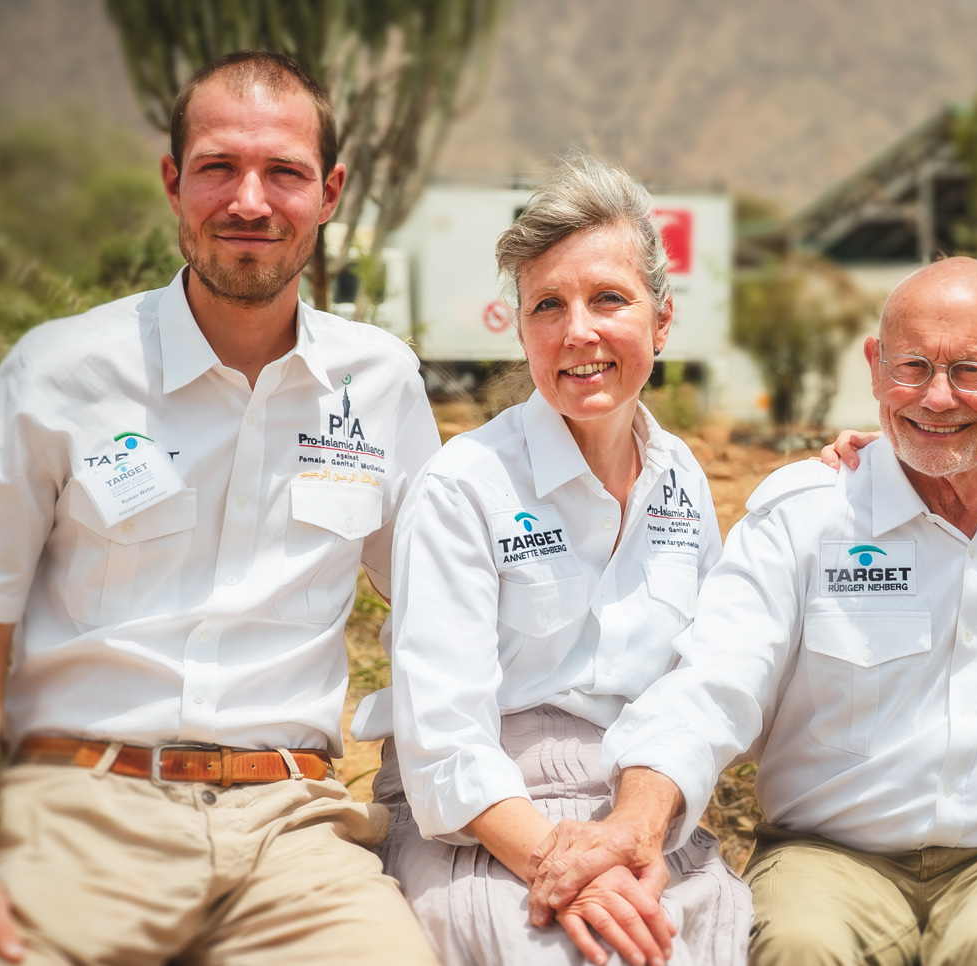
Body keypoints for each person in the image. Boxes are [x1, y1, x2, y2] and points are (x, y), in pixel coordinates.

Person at [0, 51, 441, 966]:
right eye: (218, 168)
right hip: (82, 816)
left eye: (284, 173)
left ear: (331, 190)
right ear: (173, 181)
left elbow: (440, 608)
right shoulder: (60, 371)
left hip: (293, 834)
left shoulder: (379, 382)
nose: (249, 202)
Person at [526, 256, 977, 965]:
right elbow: (714, 682)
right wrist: (635, 821)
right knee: (801, 947)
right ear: (874, 369)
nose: (936, 398)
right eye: (910, 368)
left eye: (970, 371)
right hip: (833, 857)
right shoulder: (805, 514)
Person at [348, 154, 751, 966]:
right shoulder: (463, 487)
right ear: (522, 327)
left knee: (714, 940)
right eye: (548, 305)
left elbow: (695, 689)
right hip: (485, 818)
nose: (579, 332)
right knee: (564, 952)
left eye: (609, 299)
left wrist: (626, 835)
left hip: (636, 803)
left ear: (661, 322)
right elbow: (445, 743)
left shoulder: (683, 482)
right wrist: (568, 870)